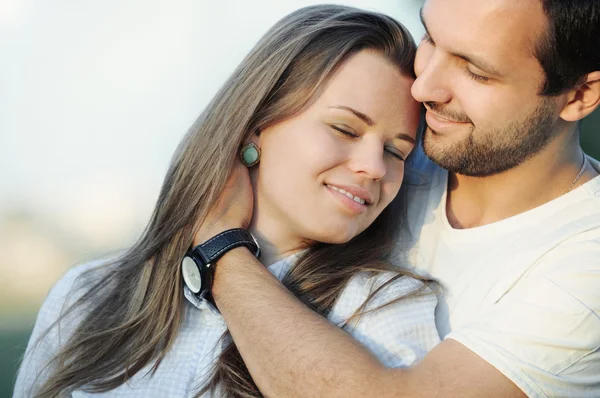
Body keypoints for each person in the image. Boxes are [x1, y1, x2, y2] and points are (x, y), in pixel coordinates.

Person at [14, 5, 443, 398]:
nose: (374, 168)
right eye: (345, 129)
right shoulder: (87, 294)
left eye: (396, 152)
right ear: (257, 124)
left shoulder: (387, 307)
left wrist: (223, 247)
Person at [194, 0, 600, 397]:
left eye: (475, 71)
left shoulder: (585, 262)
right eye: (430, 39)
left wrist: (221, 249)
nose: (423, 87)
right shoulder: (399, 148)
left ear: (580, 94)